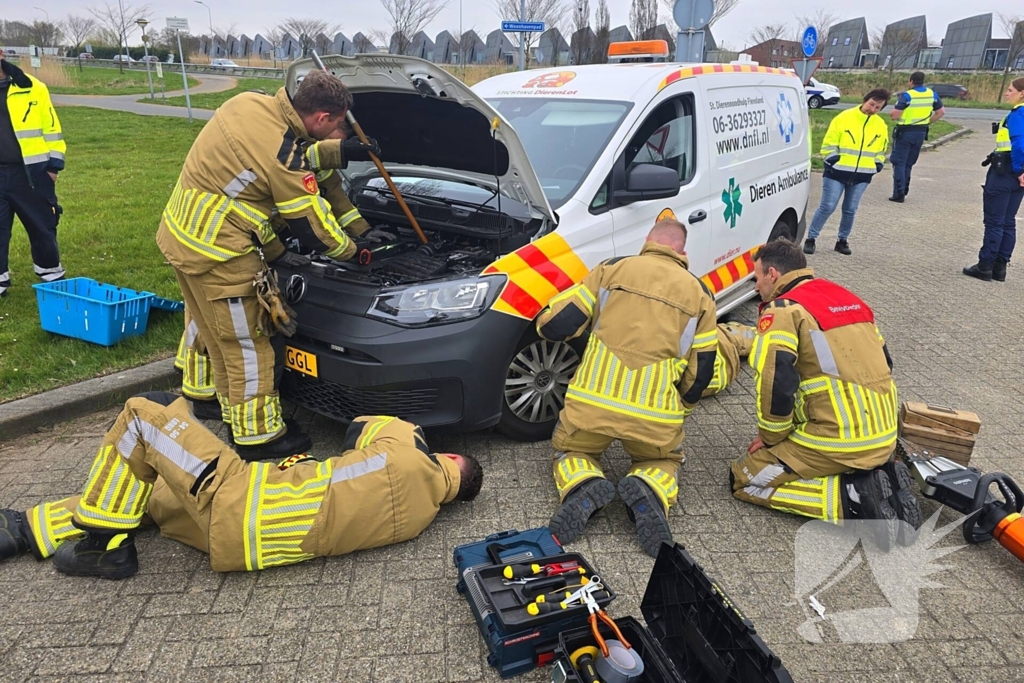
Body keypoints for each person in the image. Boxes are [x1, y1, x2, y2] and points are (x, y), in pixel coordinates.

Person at [0, 393, 483, 579]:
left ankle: (102, 547)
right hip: (243, 547)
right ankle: (29, 530)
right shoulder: (419, 521)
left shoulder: (409, 450)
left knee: (143, 417)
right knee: (152, 489)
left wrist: (413, 436)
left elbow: (360, 427)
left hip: (243, 496)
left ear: (450, 459)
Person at [158, 70, 385, 454]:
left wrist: (340, 152)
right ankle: (259, 437)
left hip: (184, 233)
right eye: (335, 126)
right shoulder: (286, 156)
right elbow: (312, 224)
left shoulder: (249, 103)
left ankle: (216, 403)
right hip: (221, 252)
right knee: (249, 344)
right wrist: (356, 252)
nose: (335, 131)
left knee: (212, 333)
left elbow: (284, 151)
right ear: (322, 117)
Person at [535, 219, 718, 557]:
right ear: (683, 252)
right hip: (654, 417)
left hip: (591, 406)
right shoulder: (701, 294)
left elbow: (557, 324)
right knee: (664, 459)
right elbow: (702, 369)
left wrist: (542, 320)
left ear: (648, 240)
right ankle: (650, 485)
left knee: (569, 451)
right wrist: (682, 408)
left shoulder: (611, 269)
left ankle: (583, 482)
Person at [730, 240, 921, 551]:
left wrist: (771, 438)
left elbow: (776, 382)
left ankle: (854, 499)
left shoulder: (783, 311)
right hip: (885, 434)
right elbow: (887, 363)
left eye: (757, 277)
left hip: (839, 440)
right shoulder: (848, 298)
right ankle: (876, 478)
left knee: (745, 478)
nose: (756, 286)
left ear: (773, 274)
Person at [0, 48, 66, 298]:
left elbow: (52, 129)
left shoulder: (32, 88)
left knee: (42, 226)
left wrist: (53, 168)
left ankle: (50, 272)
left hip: (31, 174)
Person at [803, 89, 890, 257]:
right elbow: (829, 142)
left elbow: (882, 149)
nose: (872, 109)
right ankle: (811, 238)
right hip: (837, 172)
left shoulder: (881, 125)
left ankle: (842, 241)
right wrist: (832, 159)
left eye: (877, 107)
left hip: (862, 175)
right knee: (827, 206)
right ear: (865, 100)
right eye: (871, 104)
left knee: (850, 209)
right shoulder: (843, 118)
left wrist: (878, 163)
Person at [963, 78, 1024, 283]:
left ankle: (985, 266)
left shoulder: (1018, 114)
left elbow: (1020, 144)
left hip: (1006, 170)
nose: (1007, 93)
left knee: (995, 222)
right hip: (1017, 174)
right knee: (1008, 221)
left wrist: (1019, 170)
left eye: (1010, 90)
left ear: (1022, 93)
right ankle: (1000, 268)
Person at [888, 72, 944, 203]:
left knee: (899, 162)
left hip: (905, 132)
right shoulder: (932, 94)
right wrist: (927, 122)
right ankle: (904, 190)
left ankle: (899, 193)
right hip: (921, 132)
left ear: (911, 81)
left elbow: (894, 115)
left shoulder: (907, 96)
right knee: (909, 163)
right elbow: (941, 112)